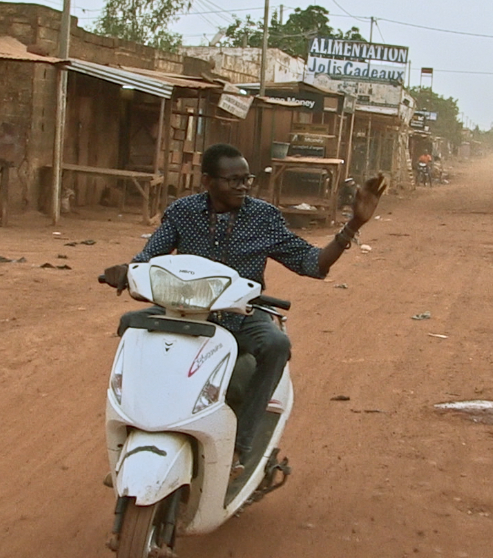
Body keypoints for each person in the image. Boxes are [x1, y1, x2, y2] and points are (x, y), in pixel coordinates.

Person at [103, 143, 388, 476]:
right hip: (186, 312)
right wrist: (125, 271)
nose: (242, 186)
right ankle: (135, 431)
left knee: (276, 345)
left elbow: (312, 263)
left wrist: (354, 224)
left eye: (246, 179)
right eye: (232, 179)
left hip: (244, 316)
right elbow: (147, 259)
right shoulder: (182, 212)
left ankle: (242, 446)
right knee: (131, 326)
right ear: (207, 181)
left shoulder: (263, 217)